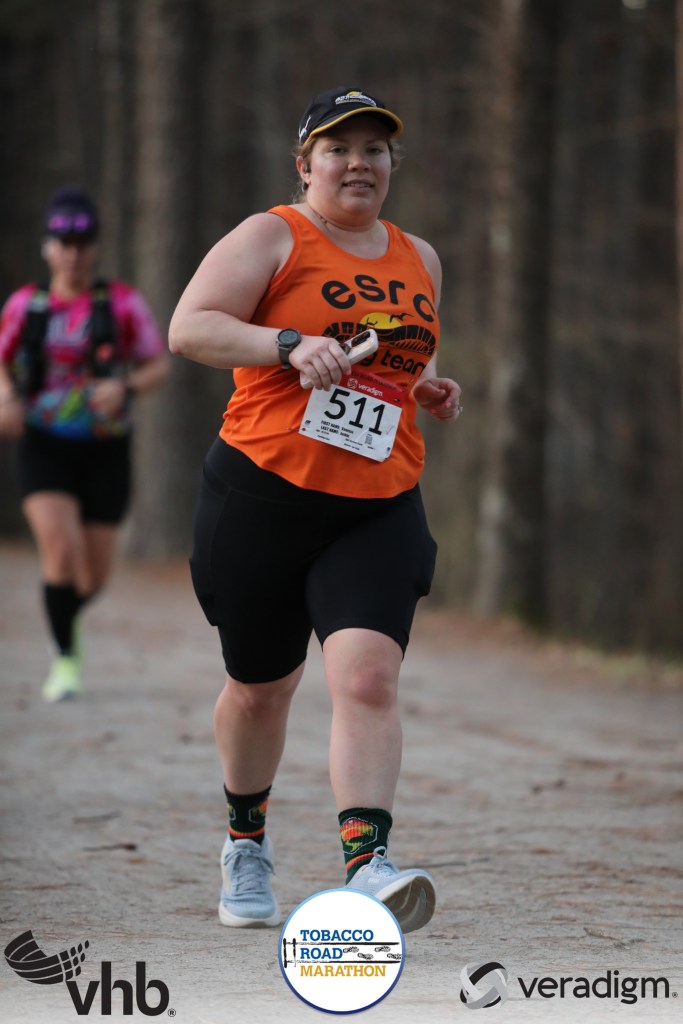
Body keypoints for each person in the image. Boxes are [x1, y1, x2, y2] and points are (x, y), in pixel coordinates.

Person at [169, 86, 462, 935]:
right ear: (305, 165)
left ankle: (369, 866)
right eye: (338, 149)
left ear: (392, 164)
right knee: (261, 689)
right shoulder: (274, 236)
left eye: (374, 149)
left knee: (367, 677)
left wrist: (425, 386)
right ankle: (245, 841)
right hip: (263, 492)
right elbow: (190, 328)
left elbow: (399, 348)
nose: (357, 163)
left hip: (377, 501)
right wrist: (288, 346)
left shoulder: (419, 256)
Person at [0, 186, 169, 702]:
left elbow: (158, 364)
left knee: (93, 577)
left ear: (95, 247)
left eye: (82, 243)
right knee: (60, 552)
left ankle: (66, 620)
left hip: (106, 447)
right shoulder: (25, 305)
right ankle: (65, 659)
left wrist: (126, 387)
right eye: (62, 243)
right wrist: (6, 397)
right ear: (47, 247)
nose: (72, 254)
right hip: (43, 443)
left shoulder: (122, 303)